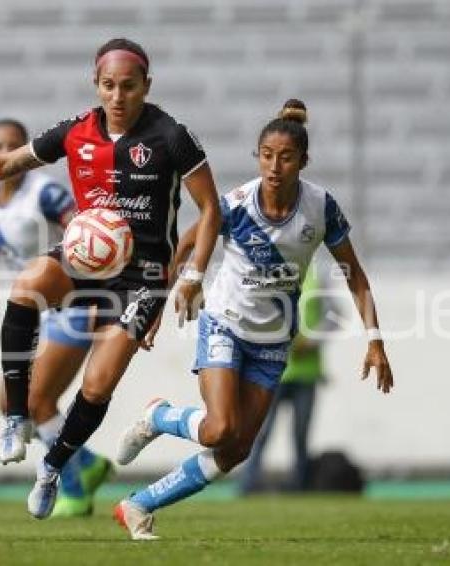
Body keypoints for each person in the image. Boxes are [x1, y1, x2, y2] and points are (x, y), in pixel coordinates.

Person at [0, 37, 221, 519]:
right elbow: (8, 165)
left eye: (128, 87)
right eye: (108, 86)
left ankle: (52, 467)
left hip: (143, 275)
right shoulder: (75, 132)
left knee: (97, 386)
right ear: (96, 85)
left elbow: (211, 208)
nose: (118, 96)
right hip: (89, 257)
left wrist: (192, 275)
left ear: (146, 86)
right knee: (27, 285)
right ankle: (15, 417)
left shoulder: (172, 137)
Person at [113, 99, 394, 540]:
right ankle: (160, 415)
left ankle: (138, 505)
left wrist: (375, 339)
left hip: (273, 341)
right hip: (225, 323)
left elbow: (353, 274)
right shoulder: (238, 204)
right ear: (258, 157)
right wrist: (173, 292)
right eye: (267, 155)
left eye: (286, 157)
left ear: (304, 160)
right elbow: (187, 242)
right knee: (220, 428)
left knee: (235, 450)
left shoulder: (321, 208)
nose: (275, 166)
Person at [0, 118, 111, 517]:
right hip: (33, 310)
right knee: (11, 399)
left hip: (72, 303)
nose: (3, 153)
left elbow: (83, 234)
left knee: (35, 399)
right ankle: (86, 463)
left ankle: (74, 485)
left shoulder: (46, 194)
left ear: (26, 154)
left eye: (12, 146)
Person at [239, 268, 327, 494]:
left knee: (300, 434)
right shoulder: (270, 273)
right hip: (273, 370)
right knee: (262, 430)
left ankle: (300, 485)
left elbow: (332, 317)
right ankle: (248, 483)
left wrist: (311, 341)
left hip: (306, 373)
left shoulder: (319, 278)